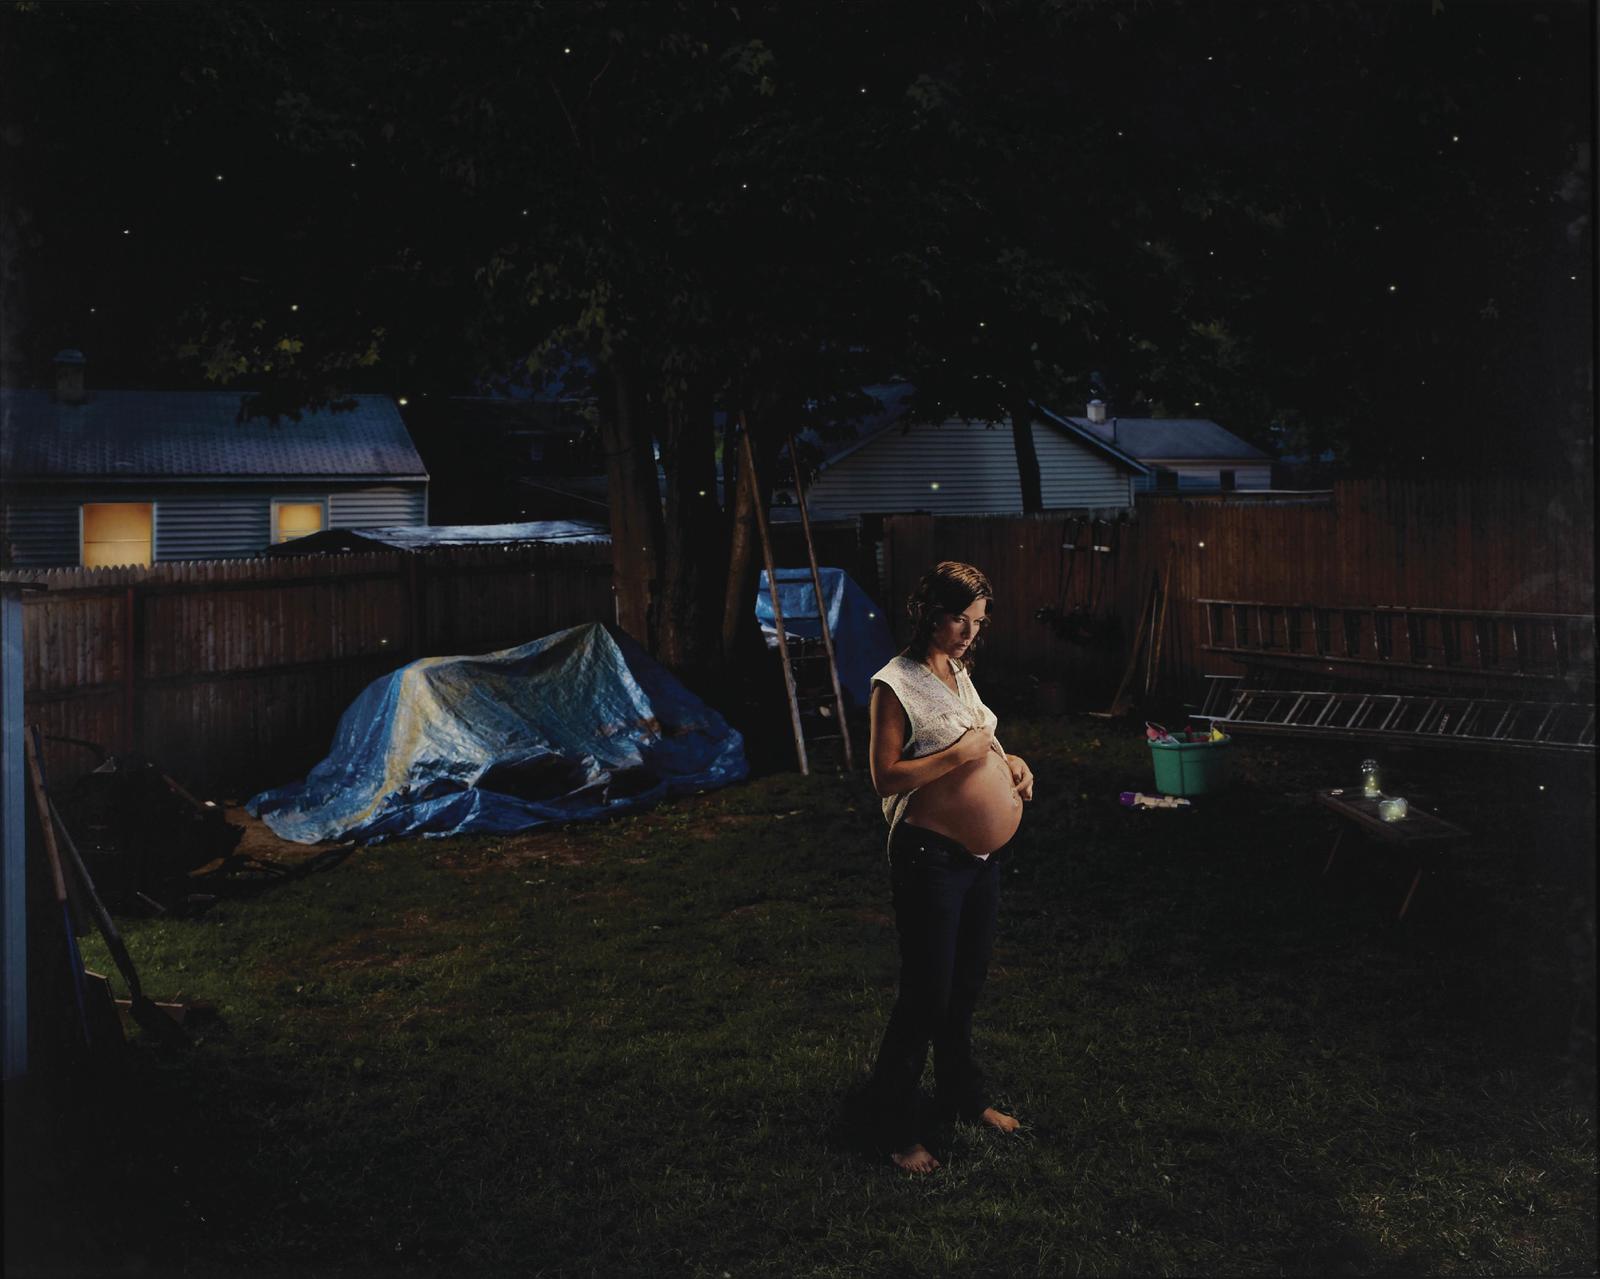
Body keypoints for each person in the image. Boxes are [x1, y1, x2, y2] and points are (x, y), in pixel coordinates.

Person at [864, 560, 1035, 1173]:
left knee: (963, 990)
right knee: (925, 996)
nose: (968, 633)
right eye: (958, 619)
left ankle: (965, 1098)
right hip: (929, 858)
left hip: (979, 860)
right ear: (929, 614)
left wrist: (1011, 762)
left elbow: (983, 739)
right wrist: (961, 754)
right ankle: (895, 1129)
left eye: (977, 623)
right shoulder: (896, 684)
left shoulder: (959, 674)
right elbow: (886, 776)